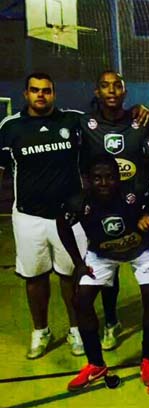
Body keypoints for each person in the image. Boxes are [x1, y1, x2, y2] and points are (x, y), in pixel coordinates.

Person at [57, 156, 149, 394]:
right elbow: (62, 226)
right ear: (87, 179)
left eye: (110, 177)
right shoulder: (78, 202)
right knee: (81, 301)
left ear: (119, 178)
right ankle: (96, 364)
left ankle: (148, 359)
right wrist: (78, 263)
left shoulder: (134, 194)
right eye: (97, 178)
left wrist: (147, 214)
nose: (104, 183)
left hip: (142, 250)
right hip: (102, 254)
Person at [0, 72, 86, 358]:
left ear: (53, 94)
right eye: (35, 90)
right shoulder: (10, 126)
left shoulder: (72, 121)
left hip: (69, 216)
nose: (41, 95)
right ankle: (41, 331)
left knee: (71, 274)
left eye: (46, 90)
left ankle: (77, 329)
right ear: (25, 94)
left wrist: (138, 111)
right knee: (35, 276)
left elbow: (107, 121)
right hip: (28, 216)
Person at [79, 70, 149, 350]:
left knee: (146, 269)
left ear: (125, 92)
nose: (111, 90)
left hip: (136, 205)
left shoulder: (140, 122)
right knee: (107, 263)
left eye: (117, 86)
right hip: (102, 205)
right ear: (96, 92)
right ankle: (111, 321)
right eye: (105, 86)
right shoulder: (84, 123)